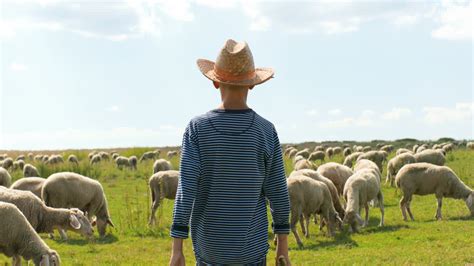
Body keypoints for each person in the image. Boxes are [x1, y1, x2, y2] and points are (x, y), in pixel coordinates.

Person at [169, 39, 291, 266]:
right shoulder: (265, 130)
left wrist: (177, 249)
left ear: (215, 83)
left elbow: (186, 189)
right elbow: (278, 193)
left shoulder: (197, 128)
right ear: (252, 84)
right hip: (251, 252)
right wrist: (282, 248)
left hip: (209, 251)